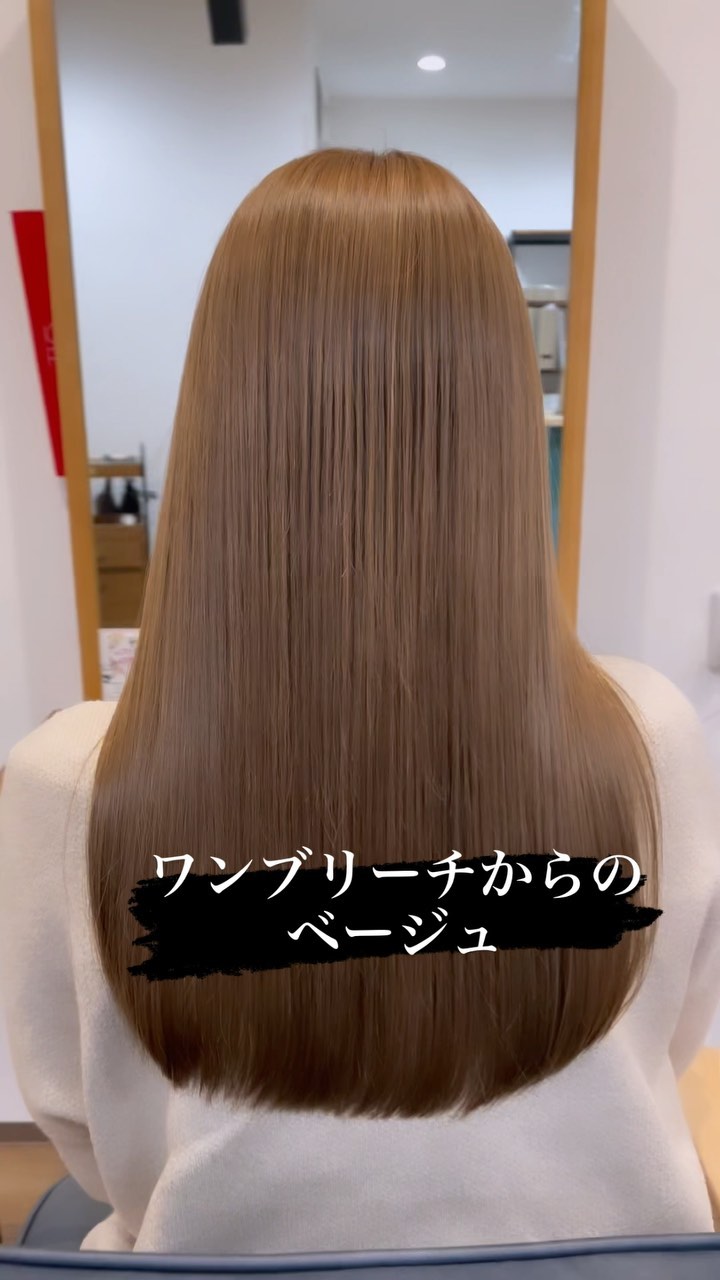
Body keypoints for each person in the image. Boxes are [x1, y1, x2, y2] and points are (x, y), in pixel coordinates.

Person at [1, 148, 719, 1254]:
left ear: (222, 406)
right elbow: (662, 1045)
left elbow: (88, 1137)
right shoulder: (651, 739)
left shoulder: (71, 781)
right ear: (499, 410)